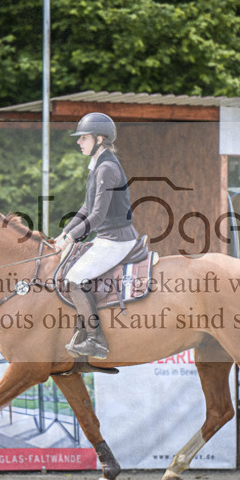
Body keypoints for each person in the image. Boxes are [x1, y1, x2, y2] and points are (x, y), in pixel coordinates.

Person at [53, 112, 139, 359]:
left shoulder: (107, 168)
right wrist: (65, 232)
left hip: (117, 239)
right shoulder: (98, 165)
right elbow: (86, 208)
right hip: (107, 236)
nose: (79, 142)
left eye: (84, 138)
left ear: (99, 139)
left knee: (73, 278)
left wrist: (72, 238)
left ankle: (95, 339)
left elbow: (98, 215)